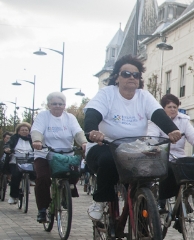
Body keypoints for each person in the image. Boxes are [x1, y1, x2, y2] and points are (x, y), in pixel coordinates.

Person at [83, 55, 181, 220]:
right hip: (104, 146)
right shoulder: (106, 94)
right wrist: (93, 131)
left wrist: (172, 130)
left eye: (135, 75)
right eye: (126, 73)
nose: (131, 77)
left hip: (134, 149)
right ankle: (100, 201)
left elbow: (158, 114)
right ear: (117, 77)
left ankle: (147, 219)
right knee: (108, 161)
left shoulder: (144, 96)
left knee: (163, 166)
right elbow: (93, 114)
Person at [30, 92, 88, 222]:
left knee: (75, 173)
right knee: (43, 178)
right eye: (54, 103)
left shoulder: (70, 118)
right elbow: (36, 130)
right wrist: (37, 141)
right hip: (45, 153)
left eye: (60, 104)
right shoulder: (43, 116)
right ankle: (42, 210)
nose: (57, 106)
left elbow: (78, 131)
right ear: (49, 105)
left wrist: (83, 142)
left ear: (64, 105)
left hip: (65, 154)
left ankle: (64, 194)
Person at [146, 93, 194, 207]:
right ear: (163, 108)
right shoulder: (157, 120)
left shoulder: (183, 120)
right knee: (167, 170)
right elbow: (152, 137)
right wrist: (154, 147)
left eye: (175, 107)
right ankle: (162, 202)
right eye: (169, 107)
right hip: (162, 155)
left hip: (179, 157)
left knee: (191, 168)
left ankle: (184, 198)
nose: (172, 109)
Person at [4, 123, 34, 205]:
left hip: (29, 160)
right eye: (22, 130)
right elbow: (8, 144)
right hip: (16, 160)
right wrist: (7, 149)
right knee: (16, 175)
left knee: (36, 170)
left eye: (26, 130)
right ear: (18, 131)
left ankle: (31, 180)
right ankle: (13, 196)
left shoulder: (32, 139)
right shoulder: (14, 138)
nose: (24, 131)